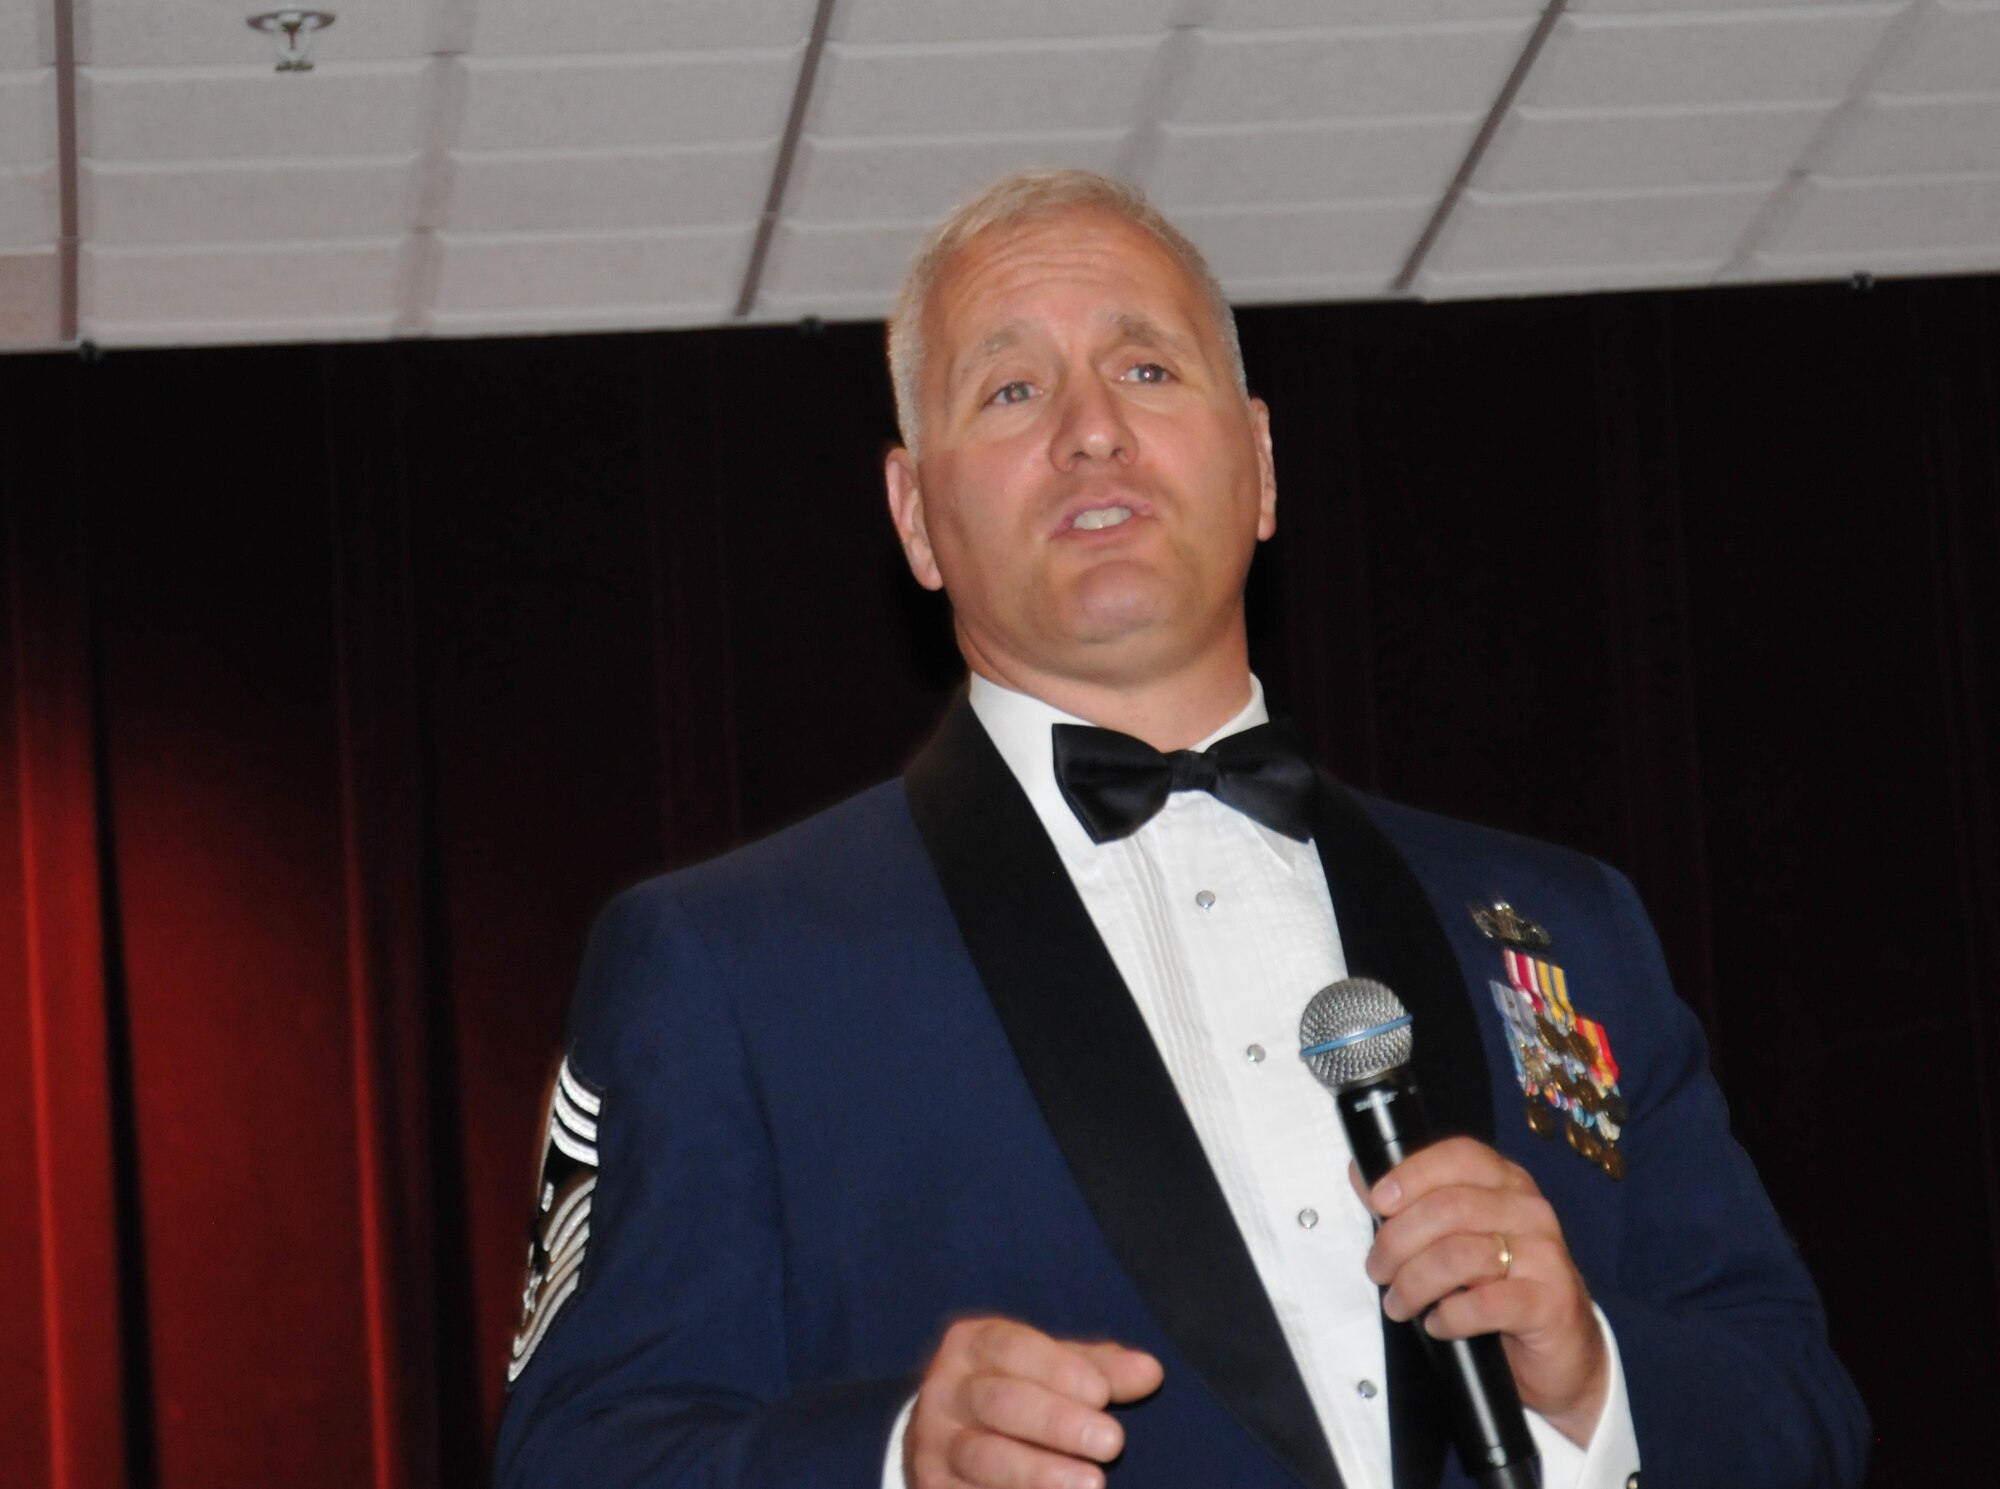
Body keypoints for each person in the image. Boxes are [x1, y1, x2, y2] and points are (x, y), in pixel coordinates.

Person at [494, 170, 1867, 1489]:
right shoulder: (726, 962)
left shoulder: (1564, 925)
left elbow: (1799, 1403)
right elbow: (580, 1455)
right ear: (917, 518)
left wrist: (1588, 1375)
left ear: (1261, 466)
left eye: (1147, 369)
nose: (1091, 429)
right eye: (1012, 389)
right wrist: (899, 1460)